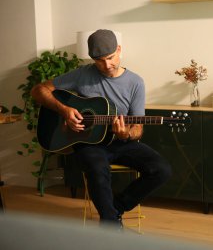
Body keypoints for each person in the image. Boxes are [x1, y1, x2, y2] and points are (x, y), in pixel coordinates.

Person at [31, 29, 172, 228]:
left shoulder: (135, 83)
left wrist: (127, 133)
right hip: (90, 143)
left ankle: (115, 208)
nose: (106, 65)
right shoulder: (82, 74)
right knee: (97, 168)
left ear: (119, 50)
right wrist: (64, 110)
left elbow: (138, 127)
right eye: (99, 60)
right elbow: (38, 90)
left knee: (162, 170)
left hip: (122, 142)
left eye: (110, 57)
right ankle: (111, 225)